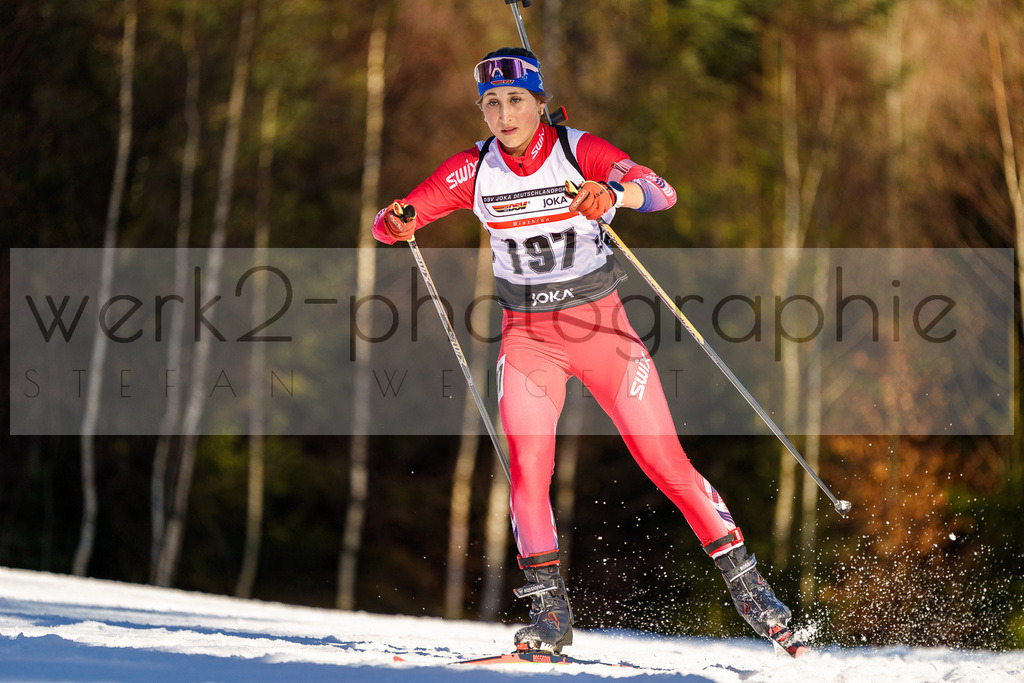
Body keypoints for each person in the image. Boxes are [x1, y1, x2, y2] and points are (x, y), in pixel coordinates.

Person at [373, 47, 794, 653]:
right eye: (491, 103)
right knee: (528, 470)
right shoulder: (473, 169)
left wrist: (612, 195)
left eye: (516, 100)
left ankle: (752, 591)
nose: (504, 114)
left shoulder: (577, 151)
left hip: (603, 332)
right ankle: (550, 614)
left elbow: (661, 191)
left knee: (665, 463)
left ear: (539, 104)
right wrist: (397, 220)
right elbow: (393, 220)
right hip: (528, 340)